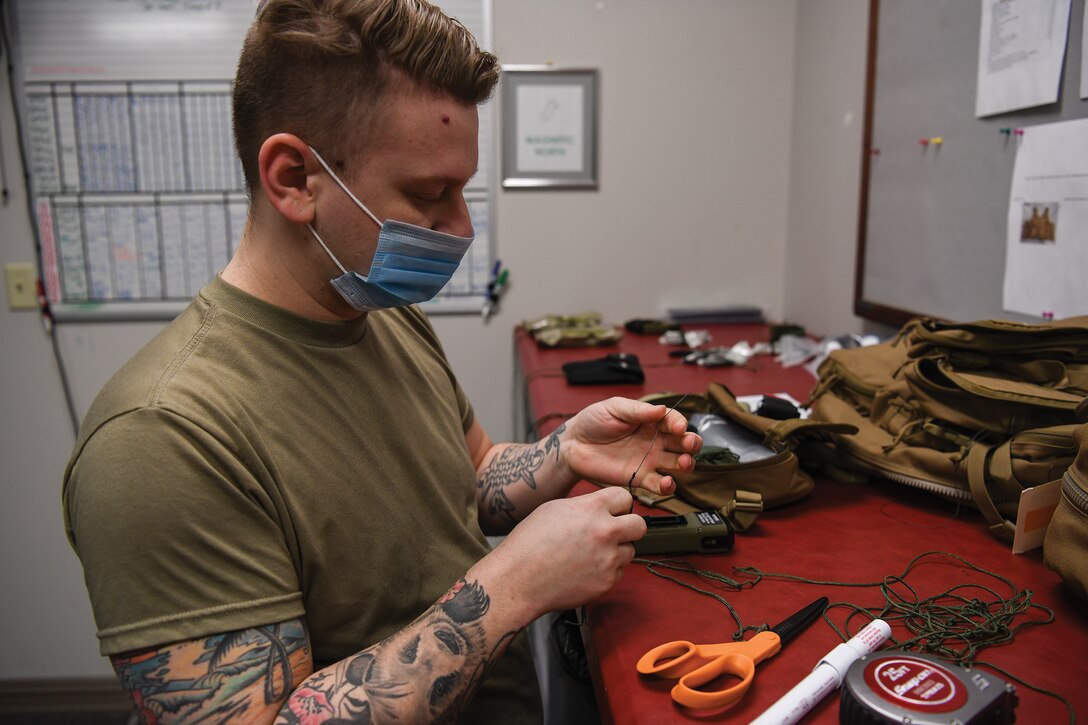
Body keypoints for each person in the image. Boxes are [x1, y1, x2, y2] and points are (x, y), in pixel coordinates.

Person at [62, 0, 701, 722]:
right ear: (294, 178)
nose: (461, 227)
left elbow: (467, 477)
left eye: (463, 189)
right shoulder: (158, 439)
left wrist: (565, 451)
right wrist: (514, 587)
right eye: (430, 194)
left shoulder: (384, 315)